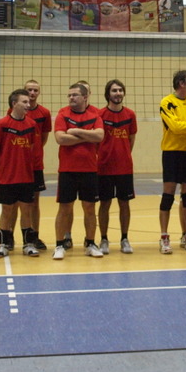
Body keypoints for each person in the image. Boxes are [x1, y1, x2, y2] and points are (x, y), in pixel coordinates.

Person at [52, 83, 104, 260]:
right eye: (69, 95)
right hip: (67, 170)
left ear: (85, 97)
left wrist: (75, 131)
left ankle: (90, 243)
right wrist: (87, 136)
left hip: (89, 169)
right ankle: (59, 245)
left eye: (74, 95)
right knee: (65, 208)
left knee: (89, 208)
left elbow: (99, 136)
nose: (71, 98)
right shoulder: (62, 114)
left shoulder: (94, 115)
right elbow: (61, 139)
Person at [157, 70, 186, 254]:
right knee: (168, 196)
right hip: (171, 153)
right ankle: (164, 237)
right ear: (181, 84)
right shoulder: (167, 102)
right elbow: (175, 127)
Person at [0, 89, 37, 258]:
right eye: (24, 102)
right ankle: (3, 244)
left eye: (28, 102)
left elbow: (31, 147)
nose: (28, 105)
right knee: (7, 211)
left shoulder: (31, 124)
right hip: (8, 176)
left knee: (26, 210)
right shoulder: (2, 124)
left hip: (26, 176)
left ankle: (28, 244)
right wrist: (2, 166)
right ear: (14, 104)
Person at [9, 79, 51, 251]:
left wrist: (35, 153)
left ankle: (34, 236)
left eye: (35, 90)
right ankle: (9, 237)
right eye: (29, 90)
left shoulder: (44, 113)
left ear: (39, 92)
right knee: (13, 203)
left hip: (35, 165)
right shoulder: (14, 111)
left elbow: (43, 138)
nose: (32, 93)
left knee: (34, 202)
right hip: (17, 165)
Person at [97, 79, 137, 255]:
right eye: (114, 90)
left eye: (120, 90)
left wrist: (123, 154)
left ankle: (124, 238)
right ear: (108, 94)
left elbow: (131, 139)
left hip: (124, 167)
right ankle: (104, 239)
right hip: (104, 167)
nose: (118, 93)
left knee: (124, 203)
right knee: (104, 203)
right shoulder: (100, 115)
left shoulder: (130, 114)